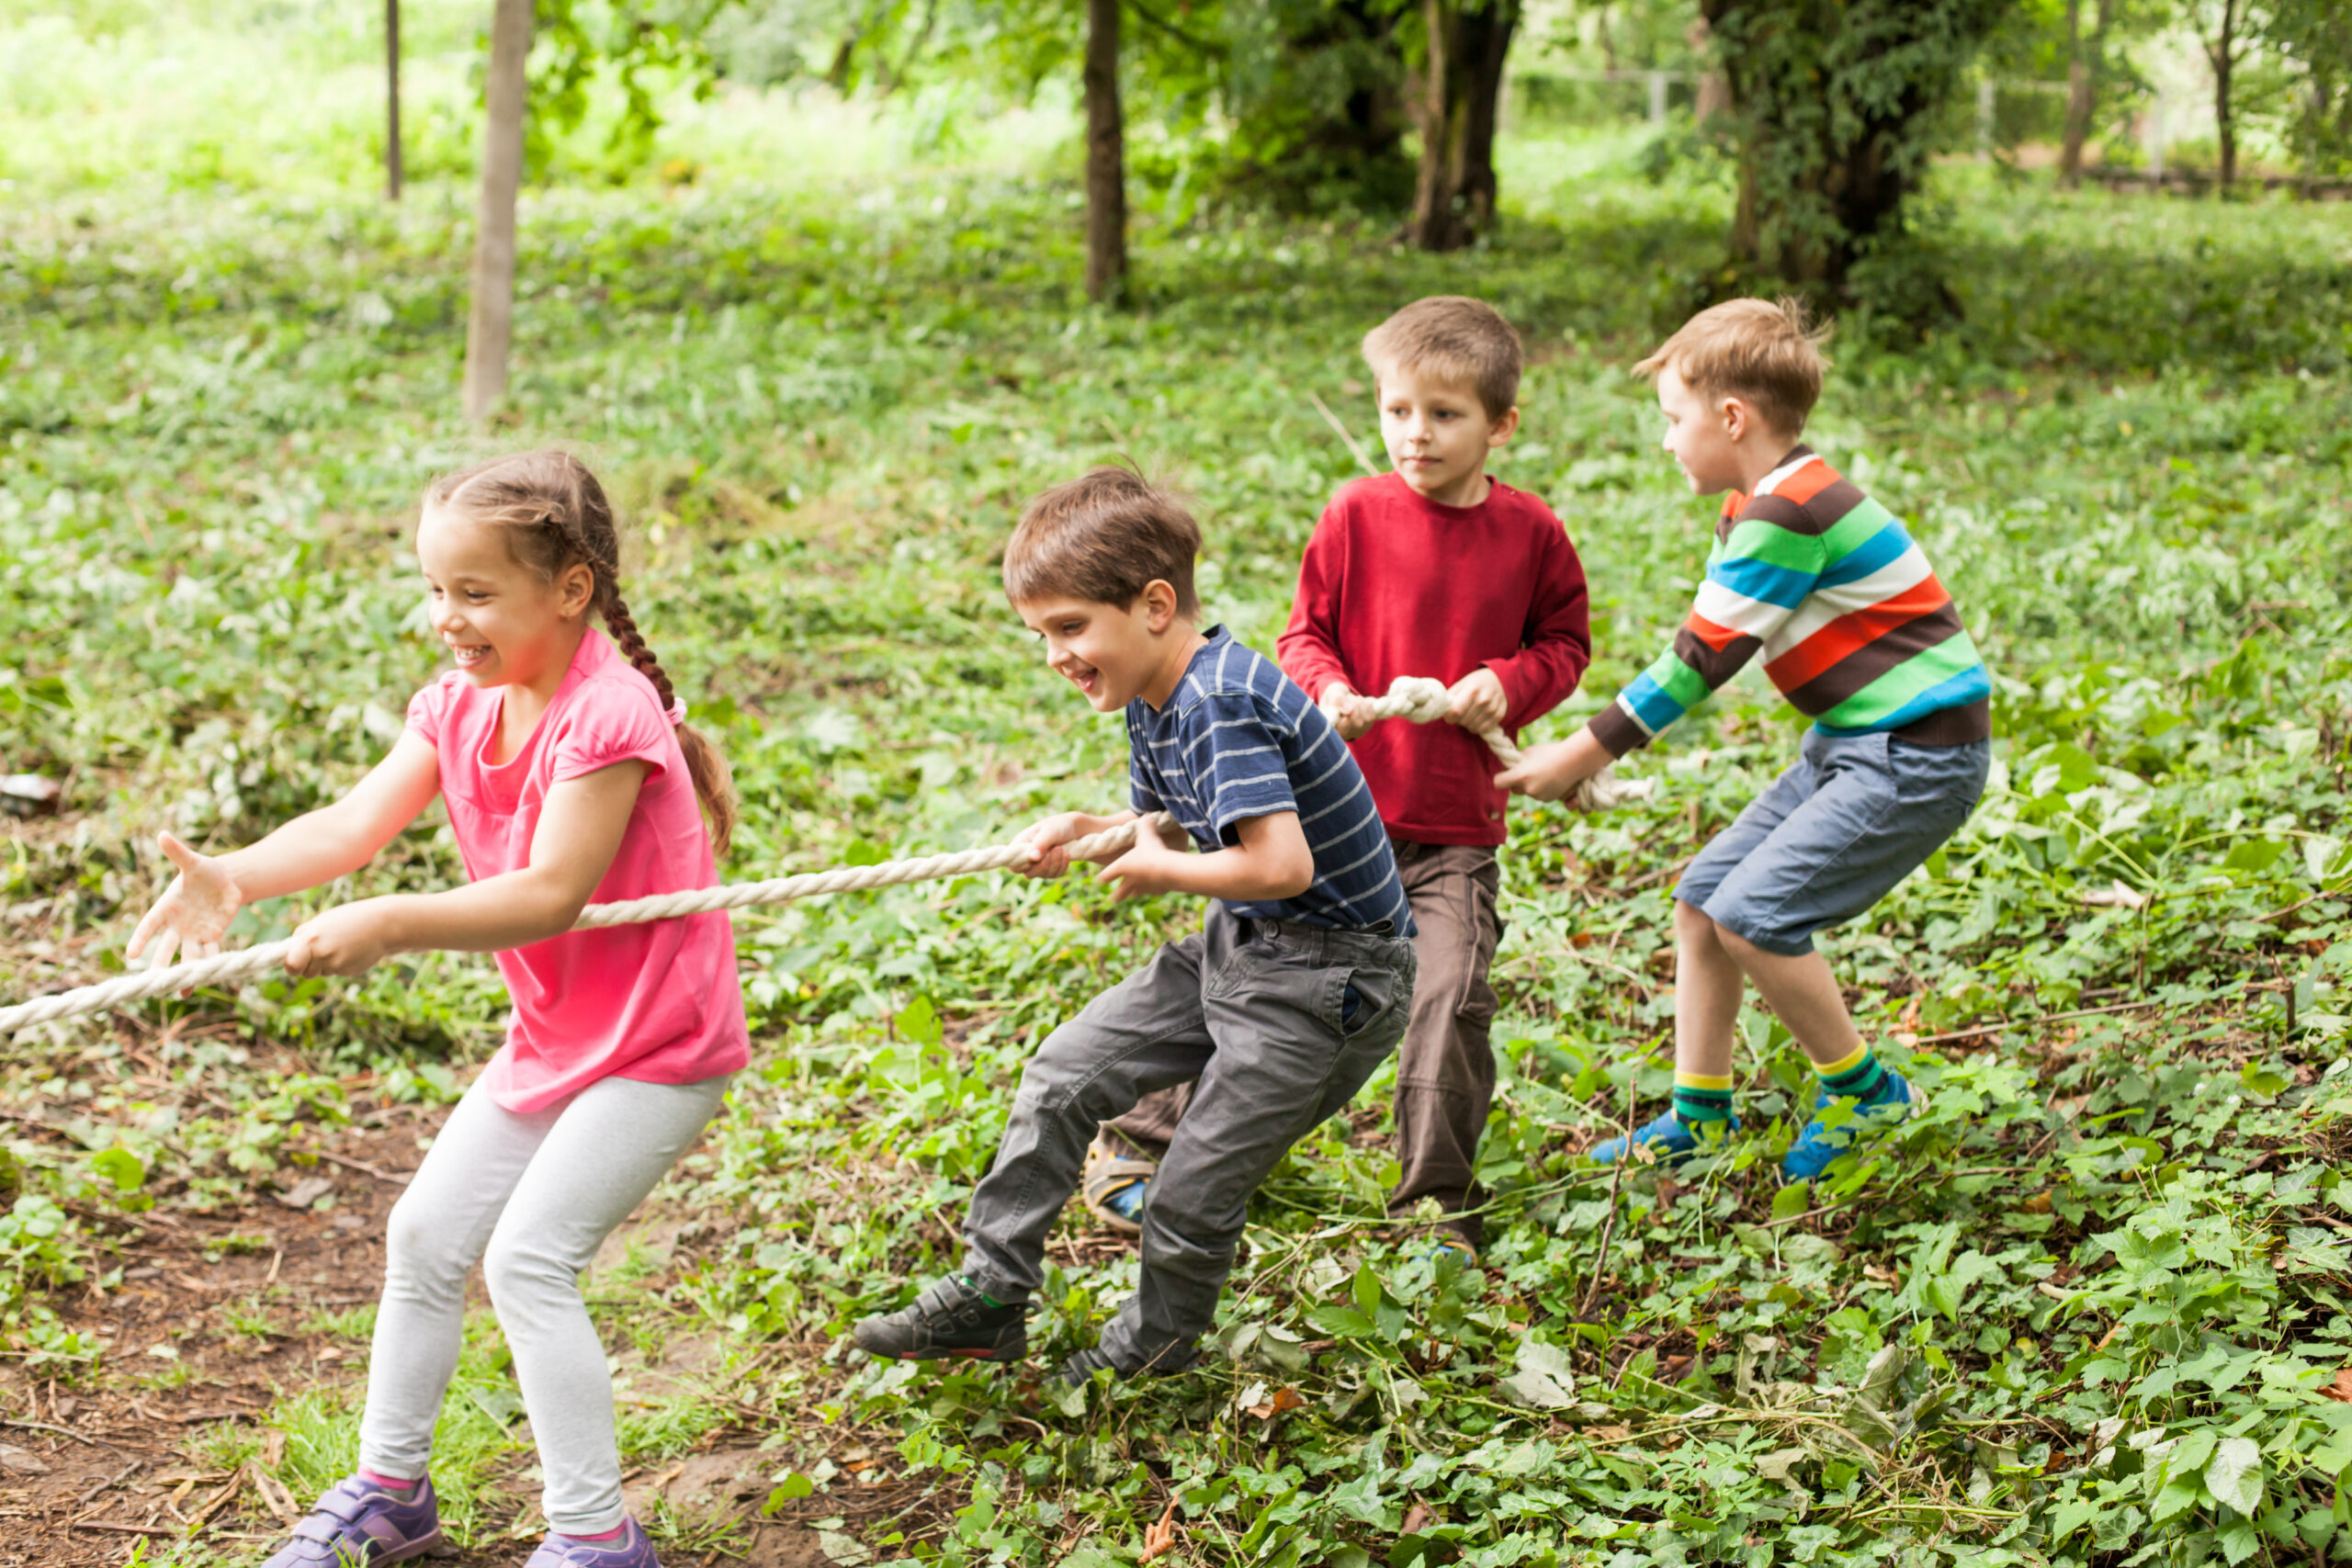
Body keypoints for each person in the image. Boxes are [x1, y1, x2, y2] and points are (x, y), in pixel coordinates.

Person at [130, 450, 743, 1568]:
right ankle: (391, 1489)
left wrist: (394, 922)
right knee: (421, 1235)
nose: (445, 619)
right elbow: (354, 823)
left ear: (569, 589)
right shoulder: (461, 705)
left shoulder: (607, 717)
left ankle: (598, 1539)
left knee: (526, 1263)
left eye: (473, 593)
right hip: (557, 1038)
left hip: (660, 1044)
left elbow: (550, 894)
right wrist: (237, 875)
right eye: (434, 589)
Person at [851, 466, 1418, 1384]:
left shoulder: (1217, 700)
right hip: (1248, 944)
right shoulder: (1155, 697)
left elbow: (1281, 865)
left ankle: (1150, 1353)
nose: (1055, 656)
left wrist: (1160, 869)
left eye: (1070, 628)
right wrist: (1093, 835)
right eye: (1041, 635)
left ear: (1155, 605)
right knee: (1063, 1073)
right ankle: (992, 1295)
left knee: (1191, 1188)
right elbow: (1179, 821)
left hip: (1330, 981)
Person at [1088, 297, 1590, 1258]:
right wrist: (1323, 689)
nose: (1415, 433)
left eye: (1444, 415)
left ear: (1500, 426)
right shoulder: (1354, 514)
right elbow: (1303, 633)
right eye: (1397, 410)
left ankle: (1433, 1200)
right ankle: (1143, 1138)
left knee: (1448, 996)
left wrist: (1508, 682)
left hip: (1451, 830)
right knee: (1254, 979)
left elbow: (1563, 641)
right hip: (1328, 829)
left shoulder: (1532, 535)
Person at [1496, 298, 1991, 1179]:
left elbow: (1700, 658)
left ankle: (1868, 1091)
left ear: (1732, 417)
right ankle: (1700, 1113)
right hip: (1852, 746)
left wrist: (1581, 752)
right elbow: (1707, 634)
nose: (1666, 441)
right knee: (1702, 903)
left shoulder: (1788, 514)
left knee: (1755, 917)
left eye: (1673, 419)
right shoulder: (1761, 503)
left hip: (1916, 756)